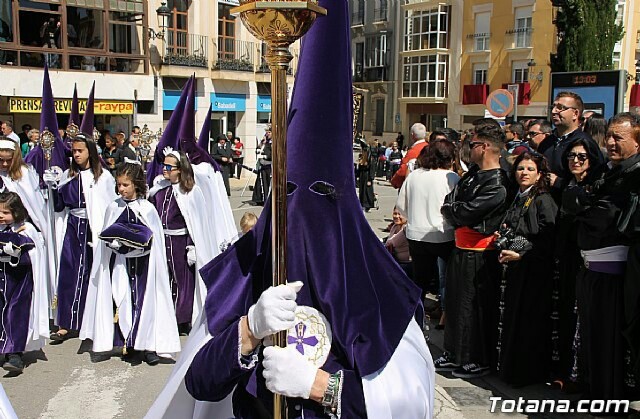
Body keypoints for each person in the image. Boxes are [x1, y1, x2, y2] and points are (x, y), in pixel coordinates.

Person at [145, 0, 435, 415]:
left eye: (321, 194)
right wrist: (248, 330)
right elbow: (199, 383)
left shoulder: (376, 292)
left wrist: (322, 387)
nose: (303, 212)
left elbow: (409, 401)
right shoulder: (248, 274)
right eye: (290, 193)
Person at [564, 113, 640, 407]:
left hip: (616, 272)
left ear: (636, 141)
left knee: (611, 339)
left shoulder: (633, 175)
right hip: (591, 267)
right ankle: (597, 390)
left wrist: (585, 207)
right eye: (608, 136)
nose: (609, 142)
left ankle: (611, 398)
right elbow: (576, 202)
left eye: (618, 138)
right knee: (592, 336)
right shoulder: (608, 171)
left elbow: (607, 216)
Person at [83, 160, 179, 365]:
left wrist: (142, 245)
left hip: (144, 266)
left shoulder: (146, 208)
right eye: (119, 184)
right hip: (121, 264)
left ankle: (149, 345)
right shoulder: (113, 207)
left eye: (125, 185)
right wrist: (113, 244)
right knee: (123, 301)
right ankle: (130, 343)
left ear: (136, 184)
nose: (121, 189)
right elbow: (106, 236)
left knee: (146, 303)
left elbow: (155, 240)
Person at [437, 120, 509, 378]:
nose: (469, 148)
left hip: (480, 253)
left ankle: (473, 357)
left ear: (486, 146)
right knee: (455, 304)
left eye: (473, 143)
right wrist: (453, 210)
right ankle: (454, 352)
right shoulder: (473, 175)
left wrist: (454, 211)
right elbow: (450, 202)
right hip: (461, 247)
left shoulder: (498, 182)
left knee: (473, 308)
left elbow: (465, 212)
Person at [494, 152, 557, 387]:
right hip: (513, 271)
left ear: (539, 174)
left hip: (534, 271)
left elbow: (547, 236)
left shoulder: (542, 199)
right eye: (521, 168)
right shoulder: (516, 196)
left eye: (530, 169)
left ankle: (526, 374)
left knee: (528, 323)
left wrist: (522, 252)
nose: (524, 173)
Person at [46, 133, 116, 342]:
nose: (76, 155)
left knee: (91, 275)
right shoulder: (69, 176)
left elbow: (110, 205)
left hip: (93, 229)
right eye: (74, 151)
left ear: (90, 152)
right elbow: (59, 207)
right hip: (73, 227)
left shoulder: (103, 177)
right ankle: (66, 322)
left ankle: (92, 321)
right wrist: (53, 187)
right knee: (69, 272)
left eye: (80, 151)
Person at [551, 137, 605, 392]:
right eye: (572, 156)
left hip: (589, 261)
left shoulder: (596, 188)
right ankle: (566, 370)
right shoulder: (567, 186)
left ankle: (579, 375)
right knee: (565, 318)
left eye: (582, 157)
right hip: (565, 262)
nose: (575, 160)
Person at [148, 149, 218, 335]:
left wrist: (193, 245)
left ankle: (181, 319)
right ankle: (165, 314)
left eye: (169, 167)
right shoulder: (159, 190)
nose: (165, 169)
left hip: (181, 242)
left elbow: (197, 223)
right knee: (164, 279)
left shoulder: (190, 192)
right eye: (164, 165)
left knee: (182, 281)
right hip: (162, 240)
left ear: (180, 169)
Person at [396, 140, 459, 330]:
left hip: (417, 234)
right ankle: (447, 316)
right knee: (450, 279)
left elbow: (401, 206)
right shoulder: (452, 177)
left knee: (420, 282)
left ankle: (416, 321)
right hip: (443, 234)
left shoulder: (414, 176)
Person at [0, 192, 48, 373]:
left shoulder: (26, 229)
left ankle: (15, 353)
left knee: (15, 314)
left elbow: (34, 255)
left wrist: (16, 253)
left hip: (19, 281)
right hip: (1, 279)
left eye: (5, 213)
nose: (1, 216)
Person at [538, 92, 601, 191]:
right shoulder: (546, 143)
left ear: (575, 114)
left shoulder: (585, 143)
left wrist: (559, 182)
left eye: (560, 108)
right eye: (553, 107)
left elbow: (594, 181)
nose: (554, 111)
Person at [390, 123, 428, 189]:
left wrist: (394, 182)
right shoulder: (429, 147)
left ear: (412, 135)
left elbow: (404, 170)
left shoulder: (414, 151)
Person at [251, 132, 272, 205]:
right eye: (267, 132)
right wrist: (259, 148)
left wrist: (265, 156)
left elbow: (272, 154)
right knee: (259, 183)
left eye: (269, 132)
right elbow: (259, 149)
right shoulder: (264, 143)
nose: (268, 134)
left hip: (269, 166)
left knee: (267, 183)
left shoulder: (272, 143)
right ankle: (258, 199)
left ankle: (267, 199)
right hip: (262, 165)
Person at [357, 145, 376, 212]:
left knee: (367, 191)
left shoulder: (371, 159)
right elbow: (359, 169)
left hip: (367, 176)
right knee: (362, 191)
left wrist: (370, 179)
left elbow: (372, 169)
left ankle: (367, 205)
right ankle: (362, 203)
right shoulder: (362, 158)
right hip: (362, 176)